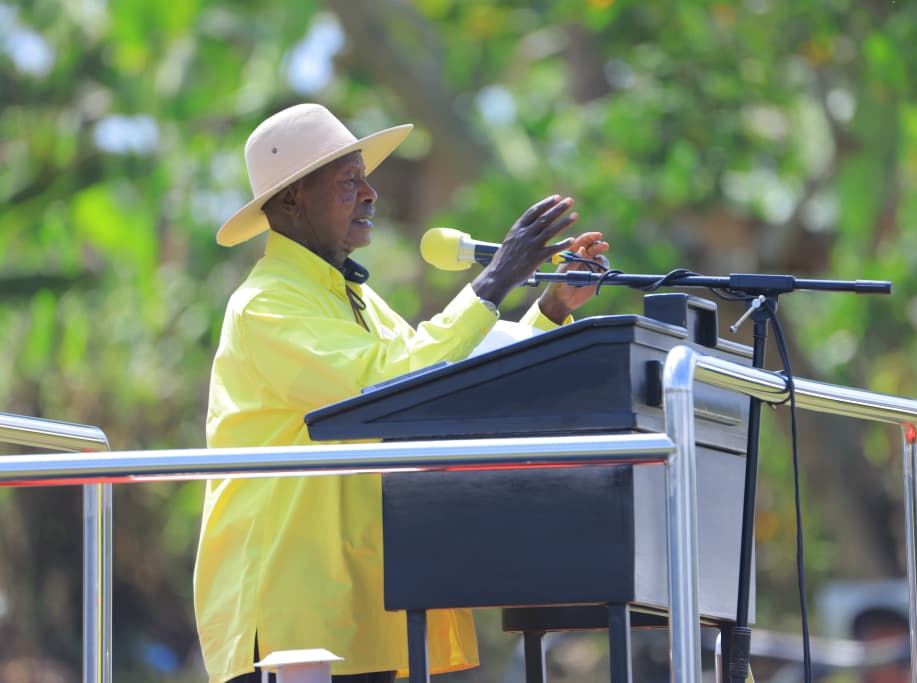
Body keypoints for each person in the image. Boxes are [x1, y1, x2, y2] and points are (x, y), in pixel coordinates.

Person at [193, 102, 610, 683]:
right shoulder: (266, 304)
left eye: (365, 178)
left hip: (364, 608)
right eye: (349, 182)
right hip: (296, 613)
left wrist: (551, 310)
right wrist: (494, 280)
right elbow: (390, 385)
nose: (370, 194)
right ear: (292, 201)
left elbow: (442, 380)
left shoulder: (356, 298)